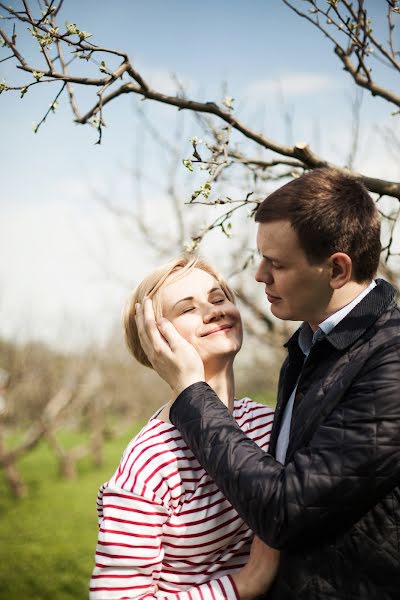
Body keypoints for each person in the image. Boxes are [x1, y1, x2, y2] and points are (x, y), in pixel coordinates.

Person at [136, 168, 400, 600]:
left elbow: (285, 510)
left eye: (276, 263)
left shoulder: (389, 361)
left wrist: (190, 392)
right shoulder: (312, 347)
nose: (258, 276)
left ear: (336, 269)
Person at [89, 256, 279, 600]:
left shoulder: (269, 423)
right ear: (154, 340)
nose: (214, 310)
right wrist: (243, 585)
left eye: (219, 298)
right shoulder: (151, 460)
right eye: (187, 309)